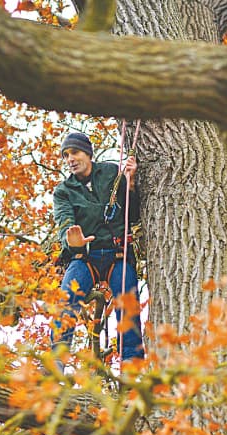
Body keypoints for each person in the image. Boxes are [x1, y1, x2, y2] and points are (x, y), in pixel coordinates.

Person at [51, 131, 144, 367]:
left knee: (128, 307)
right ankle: (55, 366)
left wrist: (130, 184)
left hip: (117, 255)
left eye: (75, 152)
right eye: (66, 155)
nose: (70, 159)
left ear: (88, 153)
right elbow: (64, 221)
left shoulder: (111, 173)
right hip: (85, 257)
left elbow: (131, 215)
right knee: (66, 302)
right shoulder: (64, 191)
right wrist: (71, 240)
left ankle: (132, 369)